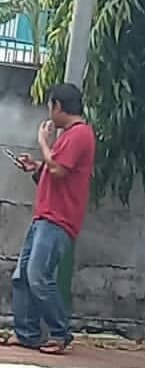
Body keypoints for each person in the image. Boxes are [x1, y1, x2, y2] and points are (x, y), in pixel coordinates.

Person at [11, 83, 96, 354]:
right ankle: (26, 333)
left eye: (50, 106)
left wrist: (43, 143)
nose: (49, 113)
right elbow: (55, 169)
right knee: (23, 275)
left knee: (38, 275)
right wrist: (36, 166)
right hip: (45, 215)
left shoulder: (79, 134)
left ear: (58, 106)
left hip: (57, 219)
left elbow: (58, 169)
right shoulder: (71, 136)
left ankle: (60, 333)